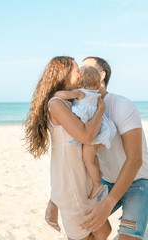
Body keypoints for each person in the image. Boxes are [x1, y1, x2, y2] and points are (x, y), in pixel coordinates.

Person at [45, 57, 148, 240]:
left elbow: (135, 159)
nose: (80, 72)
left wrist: (108, 203)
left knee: (128, 237)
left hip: (136, 181)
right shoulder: (76, 105)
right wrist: (55, 201)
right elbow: (69, 158)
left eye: (85, 68)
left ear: (101, 75)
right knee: (86, 230)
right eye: (79, 69)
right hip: (103, 181)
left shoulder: (122, 105)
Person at [25, 56, 111, 240]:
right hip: (73, 187)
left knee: (103, 232)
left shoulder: (73, 101)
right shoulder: (56, 104)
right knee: (87, 235)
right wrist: (101, 110)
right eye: (76, 70)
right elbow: (87, 136)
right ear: (64, 75)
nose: (80, 73)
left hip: (83, 182)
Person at [54, 66, 116, 200]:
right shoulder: (96, 94)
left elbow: (64, 95)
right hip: (101, 129)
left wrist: (56, 94)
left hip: (93, 132)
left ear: (80, 82)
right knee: (92, 156)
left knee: (87, 159)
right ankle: (98, 172)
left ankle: (96, 184)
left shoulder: (80, 93)